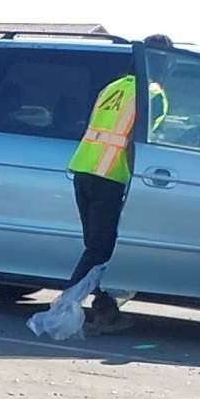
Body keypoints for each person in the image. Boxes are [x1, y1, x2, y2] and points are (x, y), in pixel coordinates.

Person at [57, 35, 174, 335]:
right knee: (101, 250)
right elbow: (137, 141)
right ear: (162, 62)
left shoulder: (114, 86)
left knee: (97, 248)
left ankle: (105, 312)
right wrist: (142, 179)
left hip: (84, 171)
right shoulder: (153, 94)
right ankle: (62, 311)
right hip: (110, 177)